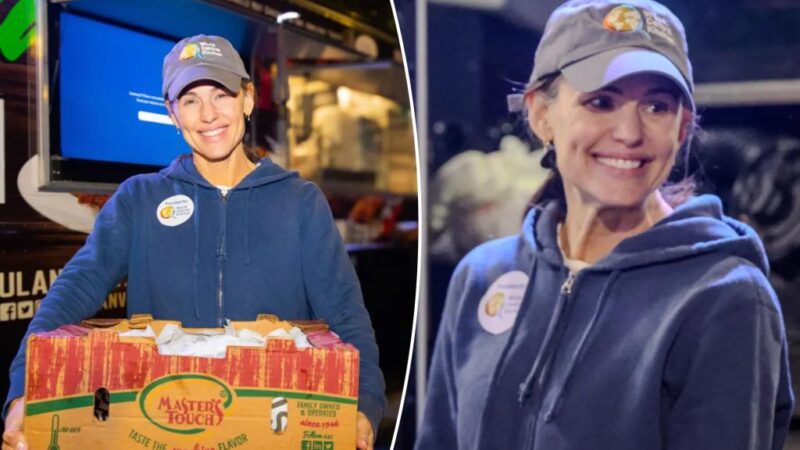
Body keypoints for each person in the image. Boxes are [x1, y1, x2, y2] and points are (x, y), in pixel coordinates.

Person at [415, 1, 794, 449]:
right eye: (601, 101)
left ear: (683, 128)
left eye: (656, 106)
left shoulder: (725, 298)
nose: (630, 132)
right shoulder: (482, 276)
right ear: (541, 114)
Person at [2, 35, 385, 450]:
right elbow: (72, 292)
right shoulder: (139, 198)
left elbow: (345, 316)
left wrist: (364, 406)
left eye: (221, 94)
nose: (208, 115)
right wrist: (25, 390)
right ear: (172, 114)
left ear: (248, 99)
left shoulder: (300, 202)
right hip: (159, 428)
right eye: (189, 101)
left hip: (275, 427)